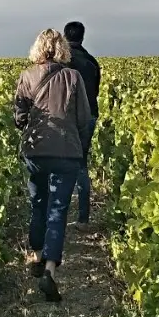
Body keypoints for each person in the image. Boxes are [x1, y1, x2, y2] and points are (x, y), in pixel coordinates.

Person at [13, 28, 92, 302]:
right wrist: (80, 149)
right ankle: (49, 270)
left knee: (38, 203)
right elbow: (83, 119)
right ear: (61, 49)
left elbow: (19, 118)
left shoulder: (26, 76)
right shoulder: (73, 76)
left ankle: (35, 255)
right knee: (58, 210)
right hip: (66, 153)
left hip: (35, 152)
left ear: (38, 48)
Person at [63, 20, 100, 224]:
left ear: (65, 37)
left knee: (61, 163)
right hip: (90, 116)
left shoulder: (62, 63)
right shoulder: (92, 61)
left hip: (68, 118)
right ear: (83, 37)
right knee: (81, 164)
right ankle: (83, 218)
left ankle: (58, 212)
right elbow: (95, 92)